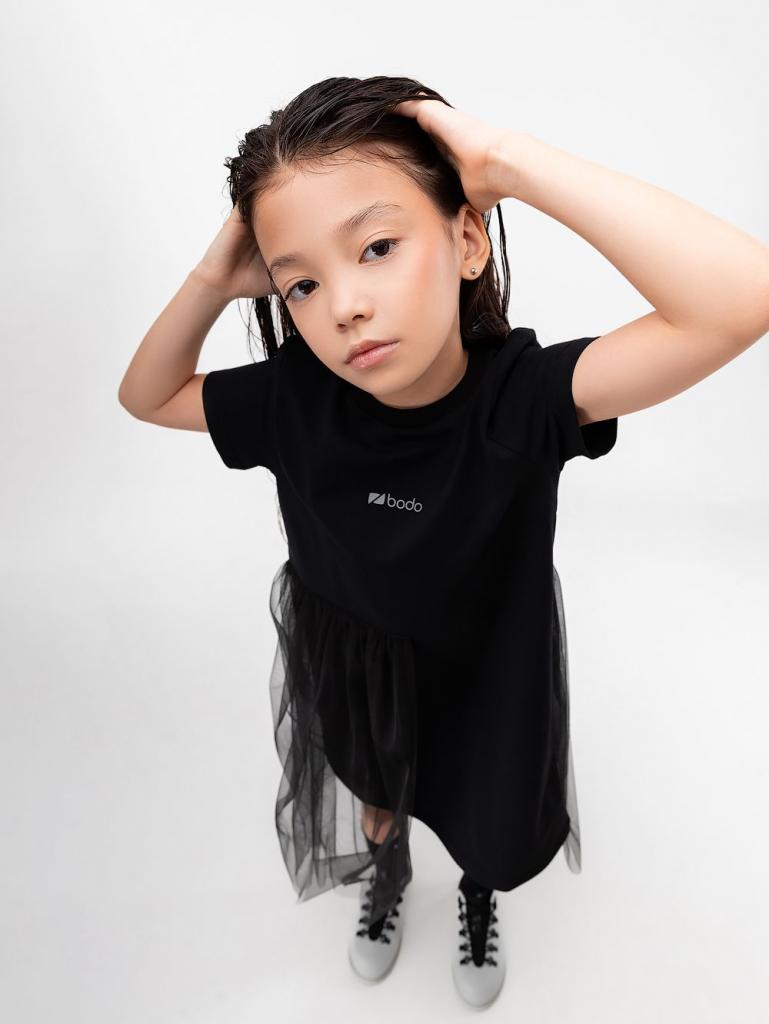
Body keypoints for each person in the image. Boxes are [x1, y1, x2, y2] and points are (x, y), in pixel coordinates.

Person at [117, 76, 769, 1008]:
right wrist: (215, 279)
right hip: (354, 659)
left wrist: (508, 163)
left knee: (485, 825)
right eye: (301, 282)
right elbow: (145, 395)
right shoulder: (294, 398)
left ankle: (474, 893)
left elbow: (741, 297)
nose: (343, 305)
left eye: (376, 247)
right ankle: (387, 871)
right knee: (377, 797)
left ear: (466, 241)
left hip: (488, 669)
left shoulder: (526, 399)